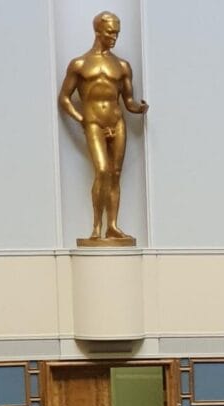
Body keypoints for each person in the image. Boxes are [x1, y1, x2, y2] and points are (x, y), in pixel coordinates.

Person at [58, 11, 149, 243]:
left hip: (117, 122)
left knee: (115, 173)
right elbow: (64, 98)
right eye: (110, 32)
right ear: (98, 31)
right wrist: (81, 119)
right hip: (93, 123)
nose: (114, 37)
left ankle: (113, 226)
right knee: (101, 170)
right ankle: (96, 227)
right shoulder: (80, 64)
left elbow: (128, 101)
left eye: (117, 33)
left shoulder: (122, 65)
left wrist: (139, 108)